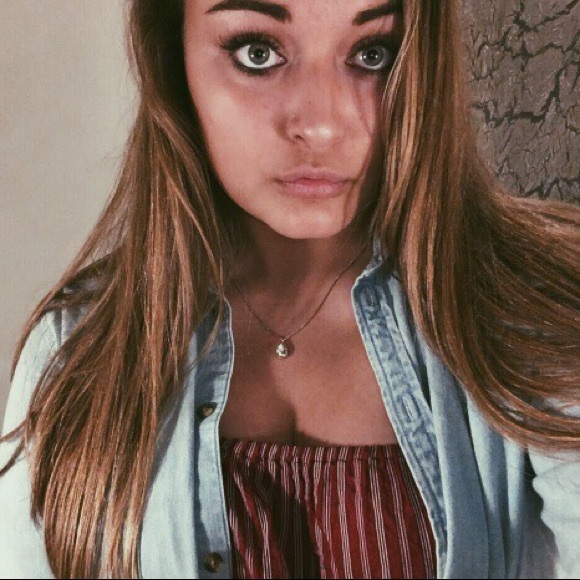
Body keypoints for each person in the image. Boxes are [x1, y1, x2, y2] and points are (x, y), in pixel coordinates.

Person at [1, 0, 579, 578]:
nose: (321, 125)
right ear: (172, 59)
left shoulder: (540, 313)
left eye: (372, 55)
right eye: (258, 53)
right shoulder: (78, 347)